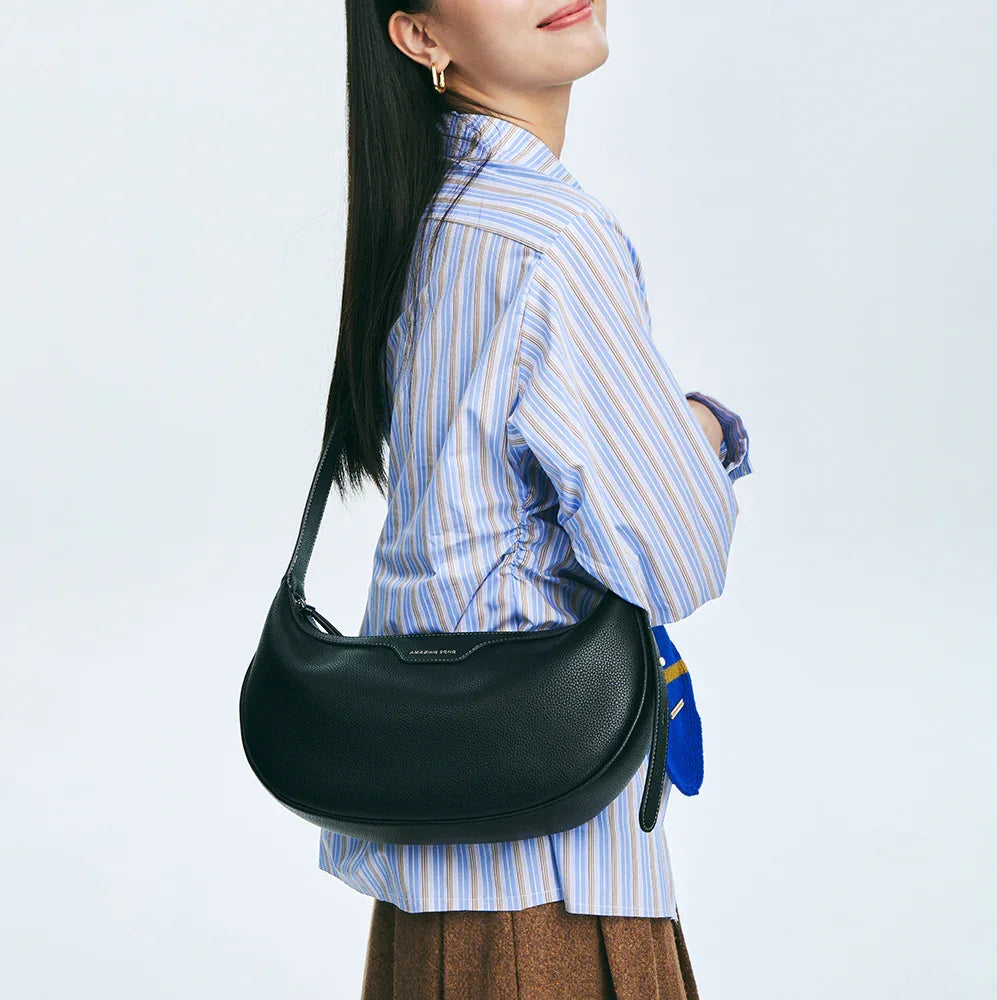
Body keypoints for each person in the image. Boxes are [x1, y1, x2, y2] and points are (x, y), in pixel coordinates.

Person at [317, 3, 753, 998]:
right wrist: (699, 430)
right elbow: (674, 560)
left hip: (440, 867)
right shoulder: (549, 235)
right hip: (548, 886)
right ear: (419, 36)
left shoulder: (423, 214)